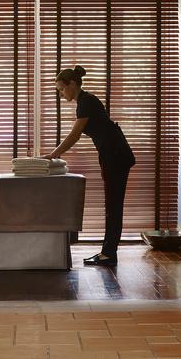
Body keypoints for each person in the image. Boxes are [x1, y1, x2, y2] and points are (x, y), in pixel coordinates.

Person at [45, 65, 135, 267]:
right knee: (112, 205)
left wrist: (53, 154)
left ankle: (108, 254)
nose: (60, 94)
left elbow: (74, 135)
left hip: (115, 155)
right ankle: (108, 252)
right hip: (112, 154)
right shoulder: (85, 101)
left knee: (113, 205)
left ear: (72, 84)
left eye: (62, 89)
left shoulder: (86, 101)